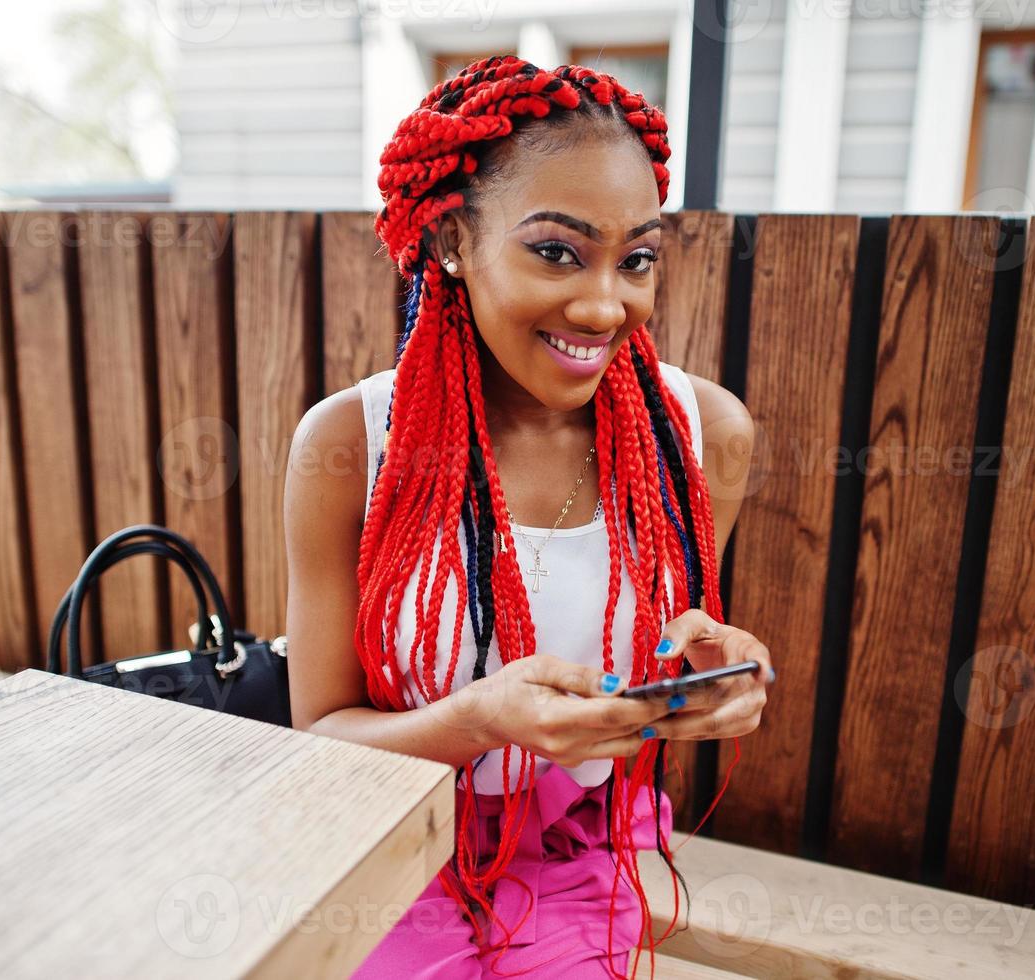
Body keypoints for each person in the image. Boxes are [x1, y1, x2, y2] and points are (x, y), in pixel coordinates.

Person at [283, 55, 773, 979]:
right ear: (449, 243)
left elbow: (670, 653)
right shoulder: (348, 445)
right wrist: (483, 719)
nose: (601, 304)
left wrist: (710, 679)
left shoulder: (702, 435)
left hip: (581, 834)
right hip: (397, 824)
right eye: (555, 250)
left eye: (635, 259)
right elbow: (321, 739)